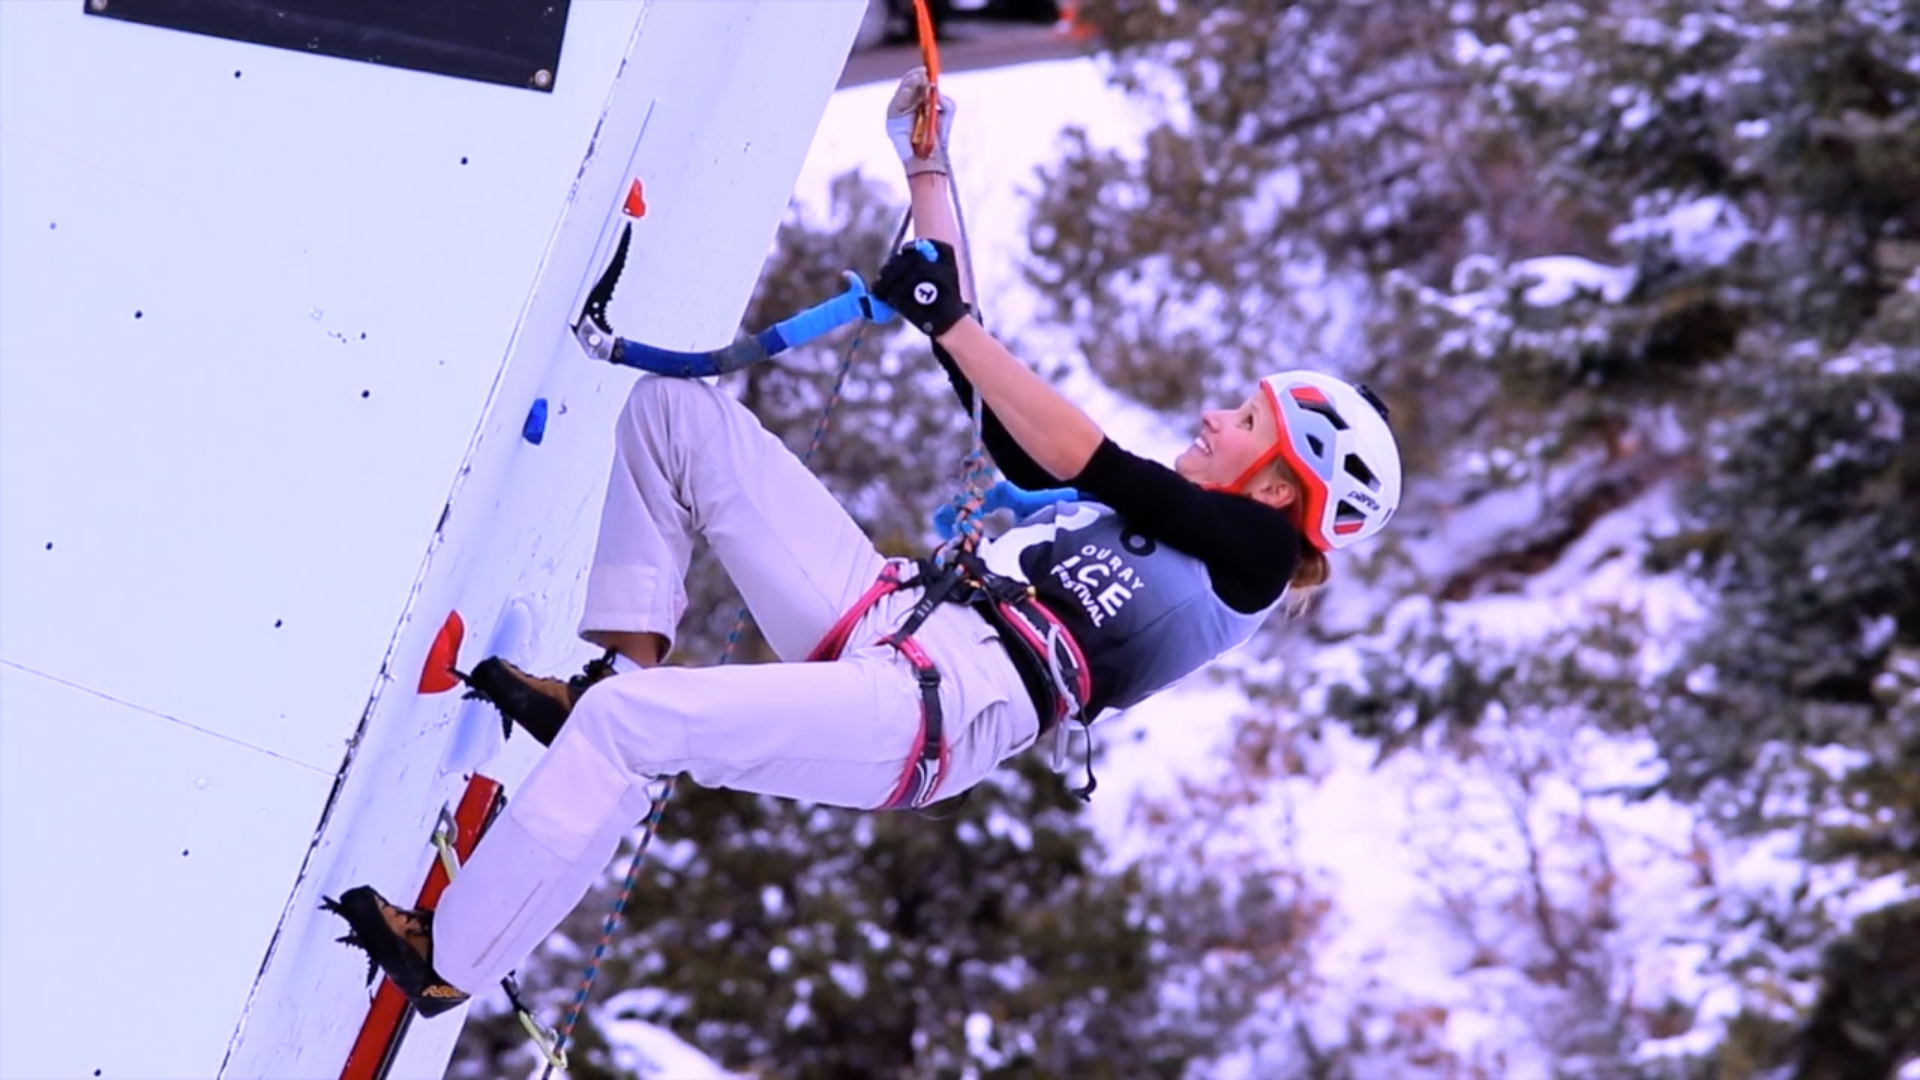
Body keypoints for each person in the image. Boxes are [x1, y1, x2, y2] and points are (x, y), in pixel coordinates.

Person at [325, 66, 1403, 1017]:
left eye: (1245, 422)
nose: (1216, 419)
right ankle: (616, 674)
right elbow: (1013, 425)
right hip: (894, 614)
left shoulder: (1254, 565)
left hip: (932, 716)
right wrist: (928, 170)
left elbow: (1088, 457)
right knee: (675, 422)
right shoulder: (1160, 516)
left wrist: (949, 322)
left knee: (627, 732)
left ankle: (451, 959)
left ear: (1278, 482)